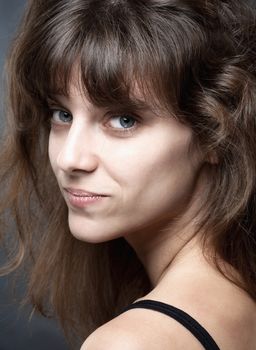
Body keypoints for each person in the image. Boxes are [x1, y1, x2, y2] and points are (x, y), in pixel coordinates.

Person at [0, 0, 256, 349]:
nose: (69, 158)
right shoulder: (237, 297)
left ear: (215, 134)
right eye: (61, 114)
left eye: (124, 120)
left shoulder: (131, 342)